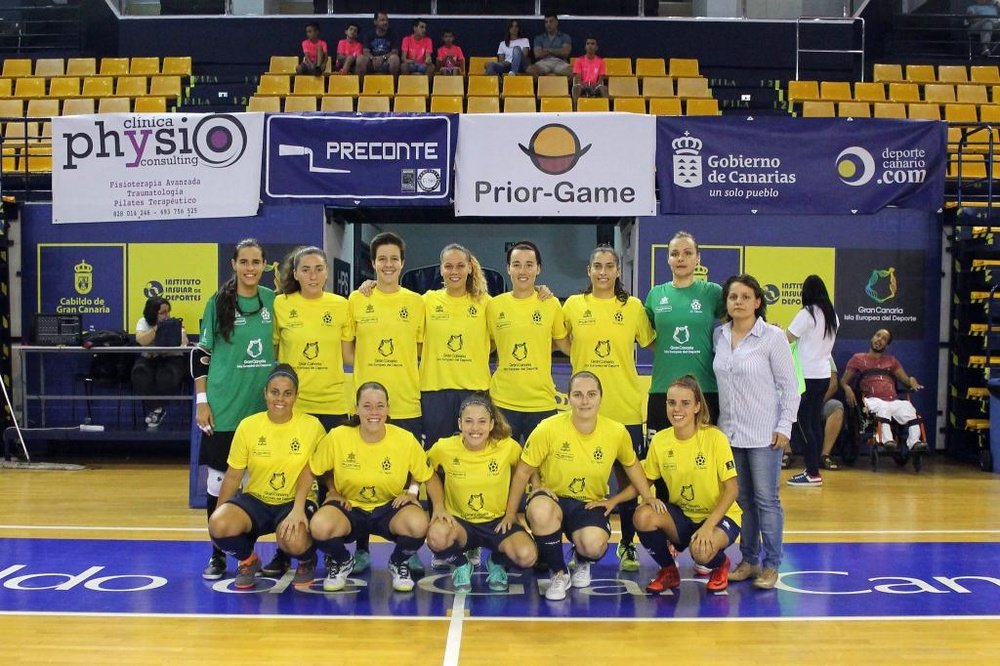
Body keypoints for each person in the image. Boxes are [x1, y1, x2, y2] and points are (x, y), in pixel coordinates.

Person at [501, 371, 662, 601]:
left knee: (594, 545)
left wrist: (647, 497)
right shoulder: (548, 428)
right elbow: (522, 473)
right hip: (553, 500)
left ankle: (582, 560)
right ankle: (559, 572)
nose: (585, 401)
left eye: (591, 394)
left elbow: (634, 468)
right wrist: (510, 514)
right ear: (568, 398)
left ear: (600, 398)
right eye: (578, 394)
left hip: (589, 504)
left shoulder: (616, 431)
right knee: (539, 510)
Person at [287, 382, 445, 593]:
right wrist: (299, 508)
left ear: (388, 409)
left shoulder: (404, 439)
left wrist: (431, 503)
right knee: (319, 525)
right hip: (350, 508)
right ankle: (343, 561)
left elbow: (430, 477)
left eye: (380, 406)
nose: (374, 412)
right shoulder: (337, 436)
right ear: (356, 409)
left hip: (389, 508)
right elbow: (311, 470)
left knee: (419, 523)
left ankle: (398, 562)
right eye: (367, 406)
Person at [562, 245, 655, 573]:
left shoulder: (633, 307)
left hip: (625, 406)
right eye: (597, 266)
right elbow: (560, 338)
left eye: (609, 266)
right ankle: (578, 537)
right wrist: (577, 357)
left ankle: (627, 544)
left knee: (627, 479)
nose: (603, 272)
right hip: (585, 411)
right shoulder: (574, 305)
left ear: (618, 271)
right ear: (589, 271)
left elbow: (651, 341)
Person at [606, 376, 740, 593]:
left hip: (719, 517)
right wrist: (613, 501)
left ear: (697, 406)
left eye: (685, 403)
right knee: (643, 515)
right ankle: (668, 570)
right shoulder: (660, 440)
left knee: (702, 552)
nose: (677, 409)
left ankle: (720, 564)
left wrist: (707, 527)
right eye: (671, 403)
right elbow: (643, 482)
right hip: (683, 516)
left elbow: (733, 489)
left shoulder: (715, 438)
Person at [195, 238, 277, 581]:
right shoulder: (218, 303)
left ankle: (249, 554)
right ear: (233, 264)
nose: (250, 268)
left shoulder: (274, 301)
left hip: (261, 412)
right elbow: (199, 355)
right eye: (244, 261)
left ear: (265, 265)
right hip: (225, 409)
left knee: (254, 489)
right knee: (219, 486)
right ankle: (218, 554)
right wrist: (202, 402)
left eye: (256, 262)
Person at [713, 274, 799, 590]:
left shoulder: (772, 337)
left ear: (757, 302)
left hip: (765, 436)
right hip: (731, 435)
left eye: (746, 297)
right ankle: (748, 561)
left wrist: (784, 426)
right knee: (744, 502)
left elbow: (791, 388)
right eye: (733, 297)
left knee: (766, 501)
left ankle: (771, 565)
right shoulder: (719, 336)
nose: (739, 302)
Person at [346, 232, 425, 575]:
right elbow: (348, 350)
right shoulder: (357, 299)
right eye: (382, 259)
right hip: (366, 405)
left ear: (402, 263)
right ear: (373, 263)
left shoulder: (417, 302)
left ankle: (405, 553)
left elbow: (420, 349)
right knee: (362, 474)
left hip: (406, 402)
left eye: (394, 259)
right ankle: (361, 548)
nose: (388, 264)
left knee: (407, 479)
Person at [208, 365, 325, 589]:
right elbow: (233, 476)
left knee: (292, 538)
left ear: (296, 396)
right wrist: (219, 518)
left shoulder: (312, 426)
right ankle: (248, 559)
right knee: (219, 524)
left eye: (287, 393)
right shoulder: (248, 426)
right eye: (274, 392)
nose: (280, 398)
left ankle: (306, 559)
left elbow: (313, 471)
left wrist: (299, 509)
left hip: (293, 501)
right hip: (257, 500)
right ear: (265, 393)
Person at [425, 394, 537, 592]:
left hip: (497, 523)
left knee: (527, 556)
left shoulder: (507, 447)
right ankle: (461, 564)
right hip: (460, 523)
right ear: (460, 423)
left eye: (482, 422)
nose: (475, 428)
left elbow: (528, 467)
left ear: (492, 424)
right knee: (436, 537)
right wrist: (438, 506)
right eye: (468, 421)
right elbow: (425, 471)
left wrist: (535, 490)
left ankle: (496, 562)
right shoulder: (444, 447)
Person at [486, 241, 569, 443]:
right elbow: (485, 347)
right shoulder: (493, 306)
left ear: (538, 269)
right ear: (508, 268)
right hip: (503, 402)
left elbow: (564, 345)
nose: (523, 270)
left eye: (529, 264)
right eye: (516, 264)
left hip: (541, 402)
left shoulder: (550, 303)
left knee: (541, 471)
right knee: (503, 469)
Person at [644, 231, 725, 431]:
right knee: (661, 457)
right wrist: (664, 347)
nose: (681, 258)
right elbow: (644, 335)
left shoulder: (712, 292)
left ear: (698, 258)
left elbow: (738, 325)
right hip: (663, 388)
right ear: (668, 259)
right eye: (675, 254)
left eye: (688, 253)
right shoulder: (656, 294)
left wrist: (766, 328)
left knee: (703, 457)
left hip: (704, 388)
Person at [419, 244, 492, 450]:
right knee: (436, 454)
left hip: (474, 390)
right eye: (448, 266)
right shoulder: (427, 301)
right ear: (441, 269)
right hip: (435, 391)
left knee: (474, 453)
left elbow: (498, 340)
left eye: (460, 265)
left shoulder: (486, 303)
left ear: (470, 268)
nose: (454, 271)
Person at [274, 246, 352, 432]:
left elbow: (349, 355)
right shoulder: (280, 304)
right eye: (306, 270)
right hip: (295, 403)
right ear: (295, 274)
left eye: (319, 269)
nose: (313, 276)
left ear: (327, 272)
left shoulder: (342, 305)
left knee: (332, 462)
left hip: (333, 403)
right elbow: (274, 351)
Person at [785, 275, 839, 487]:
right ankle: (812, 469)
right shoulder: (832, 316)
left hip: (806, 377)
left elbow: (787, 338)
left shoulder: (807, 314)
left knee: (804, 424)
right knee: (814, 423)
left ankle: (812, 472)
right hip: (823, 375)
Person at [840, 328, 927, 455]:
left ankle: (914, 442)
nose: (879, 340)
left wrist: (912, 380)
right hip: (872, 400)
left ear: (887, 345)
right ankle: (887, 441)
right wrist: (847, 389)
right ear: (872, 338)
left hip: (892, 399)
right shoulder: (858, 358)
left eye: (884, 339)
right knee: (883, 407)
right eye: (878, 336)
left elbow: (906, 380)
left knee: (909, 408)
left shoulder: (891, 361)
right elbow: (843, 381)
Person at [132, 295, 189, 429]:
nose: (166, 315)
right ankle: (157, 409)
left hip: (171, 359)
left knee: (165, 376)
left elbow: (183, 342)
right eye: (162, 313)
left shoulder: (174, 323)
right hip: (149, 359)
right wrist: (158, 328)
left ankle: (156, 410)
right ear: (153, 313)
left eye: (168, 311)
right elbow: (142, 341)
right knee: (139, 374)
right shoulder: (143, 322)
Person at [357, 11, 400, 80]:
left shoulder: (393, 34)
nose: (385, 22)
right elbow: (366, 52)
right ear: (375, 22)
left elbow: (394, 52)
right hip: (372, 62)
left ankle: (394, 88)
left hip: (386, 62)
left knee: (395, 59)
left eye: (386, 20)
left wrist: (383, 58)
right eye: (382, 20)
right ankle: (361, 88)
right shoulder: (369, 35)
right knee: (360, 59)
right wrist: (372, 58)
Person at [571, 37, 606, 104]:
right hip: (582, 85)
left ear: (596, 47)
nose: (590, 46)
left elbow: (600, 80)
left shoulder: (601, 61)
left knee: (604, 89)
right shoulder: (579, 60)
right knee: (576, 88)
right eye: (588, 44)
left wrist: (595, 85)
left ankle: (607, 111)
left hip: (595, 86)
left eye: (592, 44)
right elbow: (578, 79)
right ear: (585, 47)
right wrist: (584, 85)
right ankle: (575, 111)